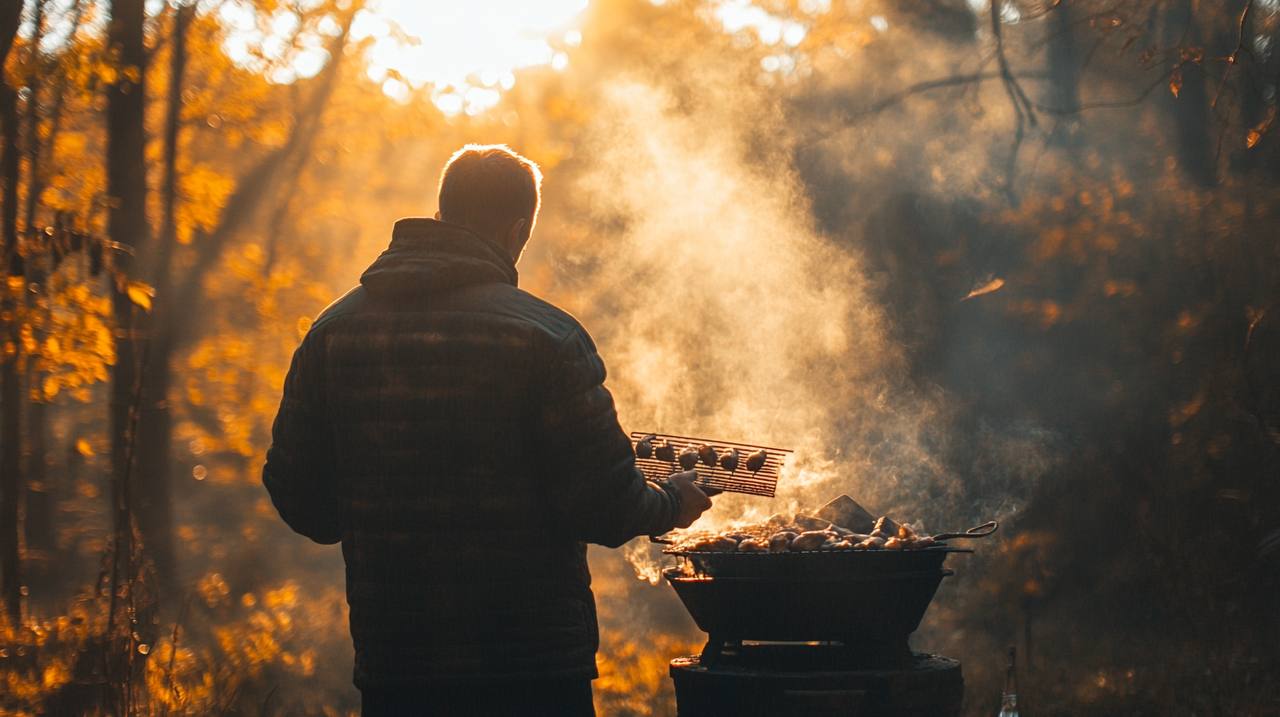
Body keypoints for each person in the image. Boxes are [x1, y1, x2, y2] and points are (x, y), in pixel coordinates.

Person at [262, 144, 713, 716]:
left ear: (443, 210)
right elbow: (604, 505)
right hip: (532, 665)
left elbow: (298, 495)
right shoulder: (546, 336)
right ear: (519, 227)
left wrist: (370, 513)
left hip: (397, 662)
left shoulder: (333, 331)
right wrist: (670, 500)